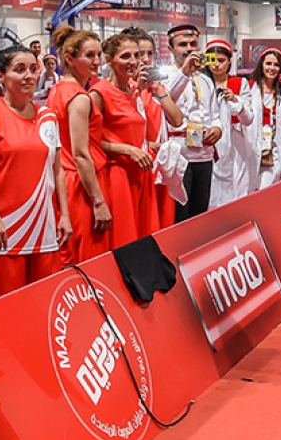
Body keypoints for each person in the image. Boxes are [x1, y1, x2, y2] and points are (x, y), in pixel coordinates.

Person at [0, 45, 70, 300]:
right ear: (1, 76)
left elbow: (58, 171)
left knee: (43, 306)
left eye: (33, 69)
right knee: (2, 313)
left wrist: (65, 215)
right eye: (19, 69)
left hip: (44, 230)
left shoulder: (48, 116)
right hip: (3, 229)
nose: (29, 76)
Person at [48, 26, 110, 263]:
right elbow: (80, 153)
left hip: (67, 179)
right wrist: (99, 201)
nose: (97, 61)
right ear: (70, 59)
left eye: (98, 54)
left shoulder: (58, 90)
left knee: (71, 252)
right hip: (80, 183)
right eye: (89, 55)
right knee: (86, 255)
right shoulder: (79, 98)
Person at [92, 33, 156, 246]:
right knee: (124, 239)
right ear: (109, 60)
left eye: (136, 55)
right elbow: (89, 142)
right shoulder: (99, 93)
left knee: (144, 236)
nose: (133, 61)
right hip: (116, 175)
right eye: (125, 56)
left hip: (141, 172)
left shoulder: (135, 89)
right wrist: (127, 150)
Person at [163, 24, 222, 219]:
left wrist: (217, 128)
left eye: (193, 44)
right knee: (179, 215)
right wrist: (184, 73)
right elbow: (164, 99)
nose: (189, 48)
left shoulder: (206, 80)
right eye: (182, 44)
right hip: (179, 155)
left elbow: (215, 114)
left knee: (200, 214)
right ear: (170, 48)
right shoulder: (164, 76)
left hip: (204, 155)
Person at [129, 28, 182, 232]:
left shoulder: (159, 88)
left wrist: (161, 93)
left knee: (164, 222)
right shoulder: (125, 90)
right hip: (139, 166)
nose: (145, 59)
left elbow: (177, 120)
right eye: (139, 54)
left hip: (161, 166)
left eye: (149, 53)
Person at [206, 39, 257, 209]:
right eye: (212, 61)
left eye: (221, 61)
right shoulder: (199, 82)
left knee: (236, 189)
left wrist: (236, 100)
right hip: (208, 143)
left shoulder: (239, 83)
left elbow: (249, 119)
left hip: (235, 146)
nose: (217, 66)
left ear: (229, 61)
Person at [250, 47, 281, 189]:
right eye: (268, 64)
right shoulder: (250, 87)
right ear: (261, 65)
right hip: (253, 144)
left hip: (275, 146)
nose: (272, 68)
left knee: (267, 185)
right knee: (252, 186)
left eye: (276, 65)